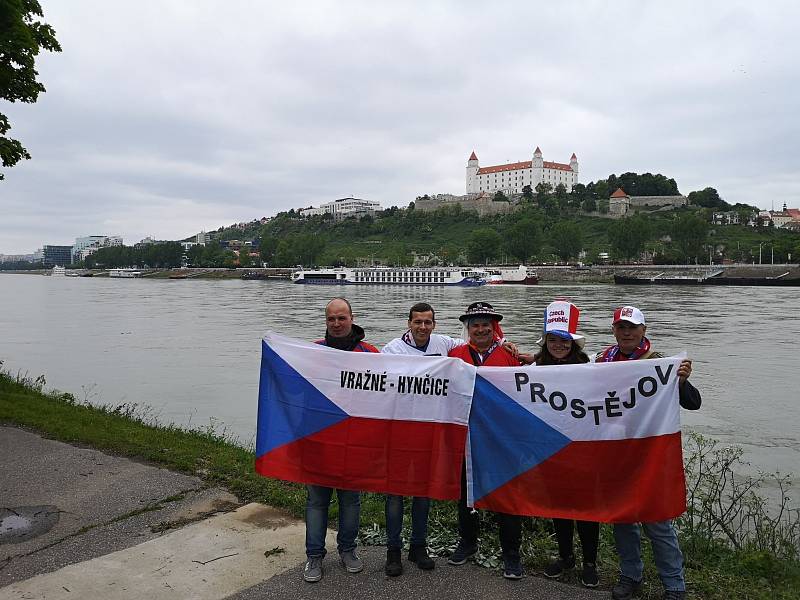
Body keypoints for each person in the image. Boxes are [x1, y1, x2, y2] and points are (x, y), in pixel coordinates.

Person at [596, 306, 701, 600]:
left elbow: (694, 404)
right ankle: (631, 575)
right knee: (623, 521)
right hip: (615, 455)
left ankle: (674, 586)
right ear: (613, 330)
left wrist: (680, 382)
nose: (626, 332)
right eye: (621, 327)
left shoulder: (660, 364)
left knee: (658, 524)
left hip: (649, 457)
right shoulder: (602, 360)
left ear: (643, 330)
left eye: (632, 327)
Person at [380, 302, 462, 576]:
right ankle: (393, 550)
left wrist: (506, 343)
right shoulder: (392, 349)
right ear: (409, 323)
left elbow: (475, 343)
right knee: (395, 495)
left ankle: (418, 546)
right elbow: (376, 380)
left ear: (434, 324)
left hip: (429, 430)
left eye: (428, 322)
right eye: (418, 322)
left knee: (423, 494)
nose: (423, 327)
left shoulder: (444, 343)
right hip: (400, 432)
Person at [303, 297, 379, 583]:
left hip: (354, 444)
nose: (336, 324)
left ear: (351, 318)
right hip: (319, 443)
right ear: (326, 321)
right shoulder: (310, 353)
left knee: (350, 502)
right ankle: (314, 556)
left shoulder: (370, 354)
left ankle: (348, 550)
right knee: (316, 502)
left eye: (341, 318)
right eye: (331, 319)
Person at [447, 301, 525, 580]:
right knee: (466, 493)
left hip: (501, 438)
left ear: (494, 328)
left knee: (507, 496)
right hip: (466, 437)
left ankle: (511, 554)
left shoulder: (508, 356)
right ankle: (468, 542)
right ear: (468, 328)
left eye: (485, 324)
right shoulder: (454, 355)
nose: (480, 329)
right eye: (475, 324)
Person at [528, 300, 600, 588]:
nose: (559, 345)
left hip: (583, 447)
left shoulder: (591, 366)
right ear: (546, 343)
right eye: (553, 340)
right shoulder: (535, 367)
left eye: (564, 340)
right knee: (559, 507)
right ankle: (566, 556)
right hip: (551, 448)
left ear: (573, 343)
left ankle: (590, 562)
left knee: (586, 509)